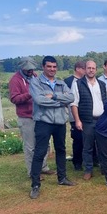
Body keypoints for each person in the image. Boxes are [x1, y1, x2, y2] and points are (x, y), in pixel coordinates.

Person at [28, 56, 75, 199]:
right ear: (43, 67)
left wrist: (54, 97)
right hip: (44, 122)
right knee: (40, 152)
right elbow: (39, 100)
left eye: (54, 67)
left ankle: (62, 178)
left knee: (61, 150)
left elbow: (71, 98)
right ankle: (35, 184)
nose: (52, 69)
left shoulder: (61, 83)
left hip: (60, 122)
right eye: (49, 66)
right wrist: (61, 101)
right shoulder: (36, 82)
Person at [9, 57, 54, 178]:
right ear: (22, 68)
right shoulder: (15, 80)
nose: (30, 71)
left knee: (44, 143)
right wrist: (30, 94)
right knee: (30, 147)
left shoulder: (34, 76)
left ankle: (43, 167)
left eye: (32, 68)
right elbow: (14, 99)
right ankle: (33, 173)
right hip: (26, 117)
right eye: (28, 69)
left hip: (40, 115)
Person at [70, 60, 107, 180]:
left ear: (96, 70)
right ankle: (88, 170)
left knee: (103, 146)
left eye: (93, 68)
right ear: (85, 69)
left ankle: (105, 168)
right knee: (87, 146)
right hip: (87, 120)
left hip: (101, 120)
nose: (91, 70)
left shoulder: (101, 84)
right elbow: (74, 104)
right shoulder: (78, 84)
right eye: (89, 68)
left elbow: (105, 102)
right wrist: (77, 120)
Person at [64, 61, 86, 170]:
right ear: (78, 69)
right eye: (84, 68)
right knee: (78, 140)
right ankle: (77, 162)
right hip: (74, 116)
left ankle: (90, 159)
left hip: (86, 116)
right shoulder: (68, 82)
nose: (86, 71)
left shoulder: (85, 81)